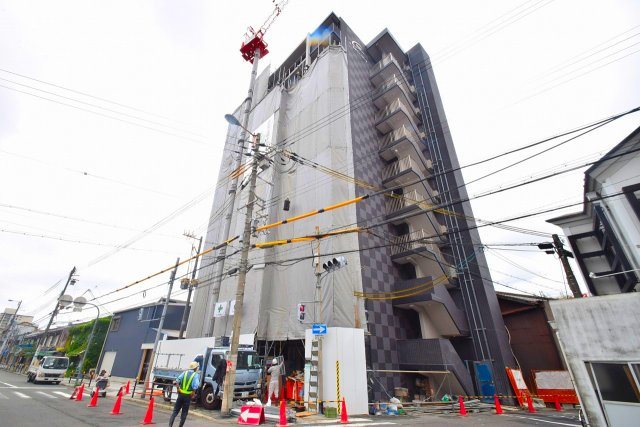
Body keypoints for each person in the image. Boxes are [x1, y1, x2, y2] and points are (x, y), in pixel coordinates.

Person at [169, 361, 200, 427]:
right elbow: (196, 386)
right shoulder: (195, 375)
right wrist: (193, 392)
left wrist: (178, 389)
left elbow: (176, 381)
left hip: (180, 395)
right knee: (184, 413)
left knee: (175, 411)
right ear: (195, 368)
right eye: (197, 367)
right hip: (188, 396)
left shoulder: (184, 373)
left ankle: (170, 426)